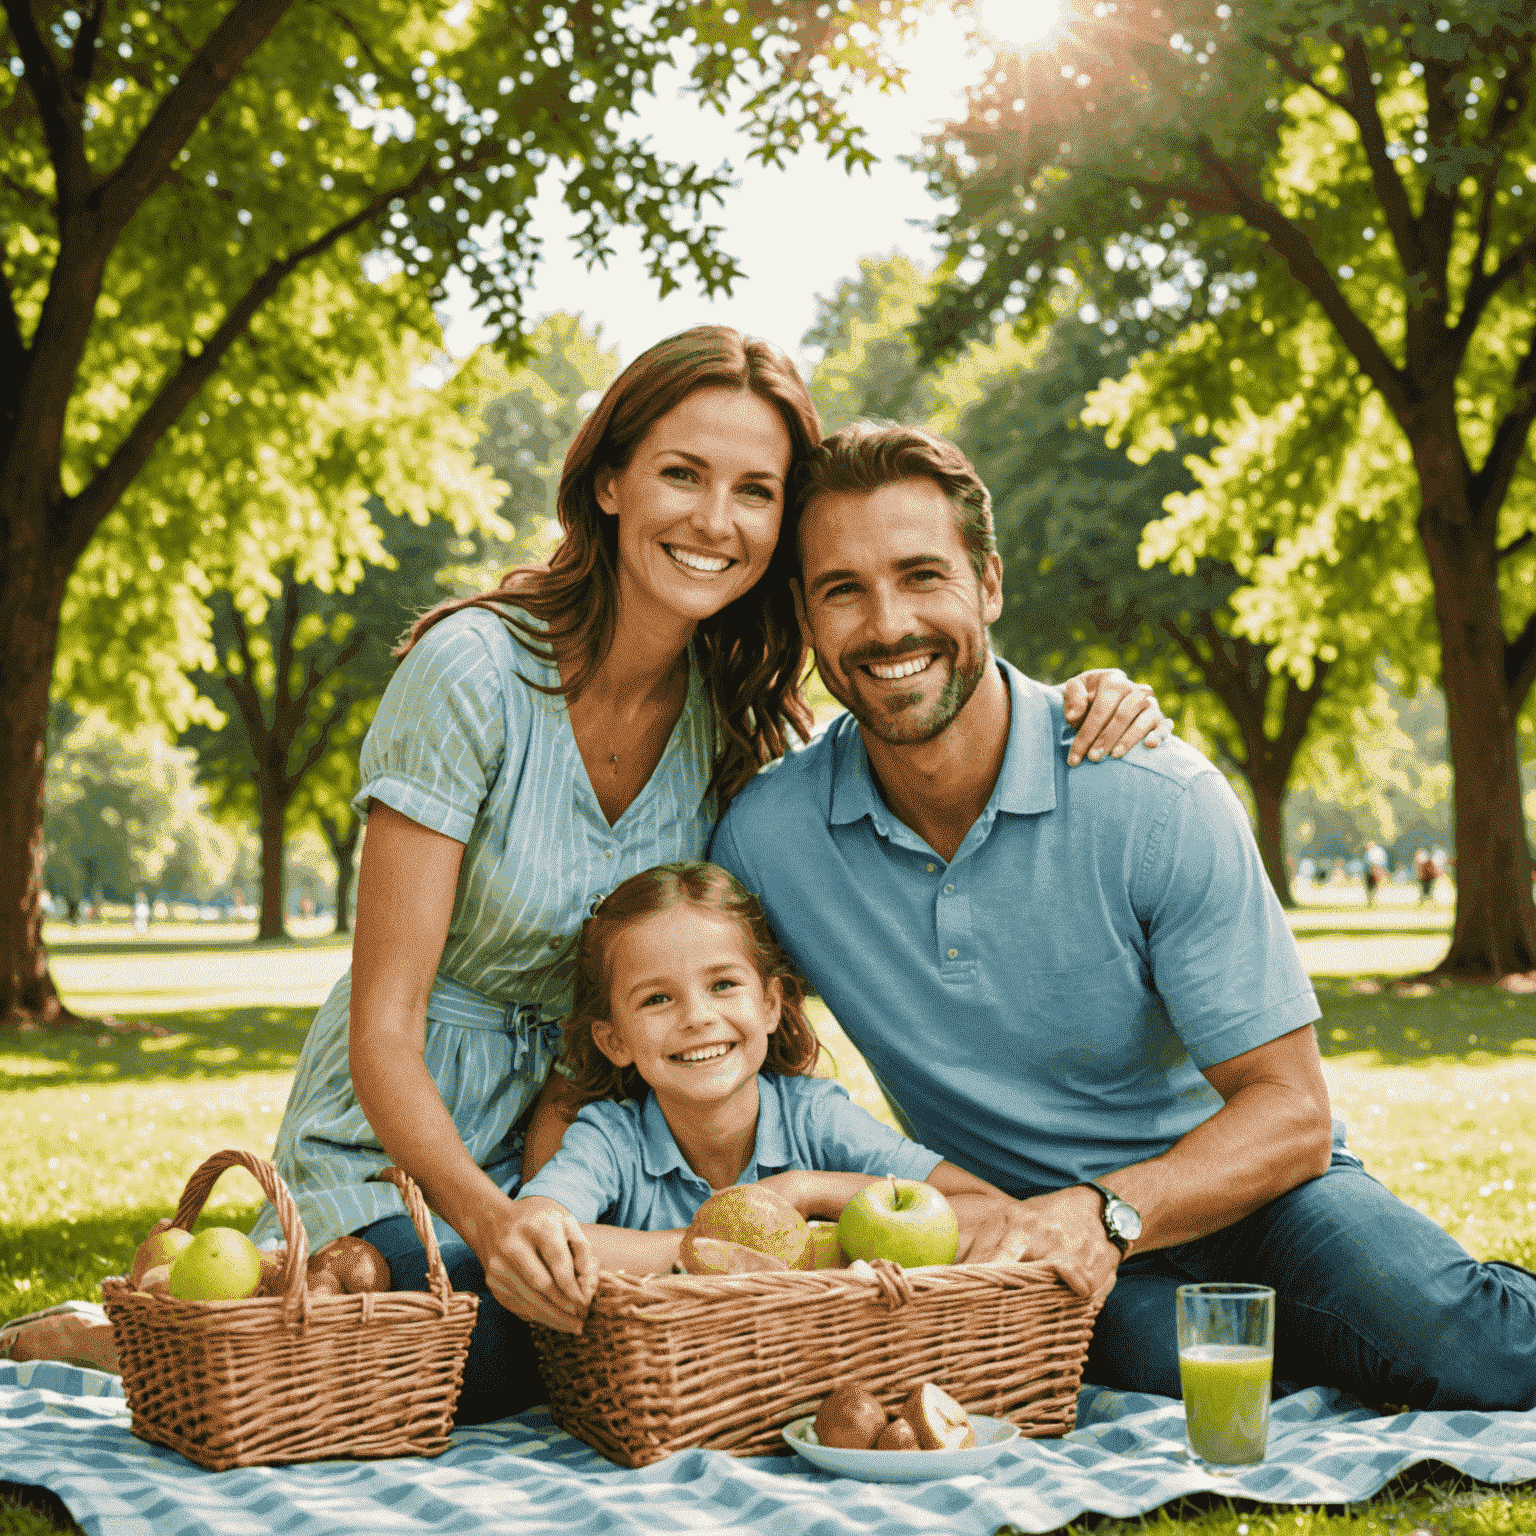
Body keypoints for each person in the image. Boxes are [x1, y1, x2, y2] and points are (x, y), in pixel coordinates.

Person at [211, 329, 1163, 1423]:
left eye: (755, 490)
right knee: (447, 1340)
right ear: (609, 480)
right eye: (682, 474)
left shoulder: (729, 719)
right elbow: (385, 1019)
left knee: (604, 1344)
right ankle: (168, 1330)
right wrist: (492, 1217)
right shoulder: (471, 671)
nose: (717, 520)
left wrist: (1075, 699)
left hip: (588, 1153)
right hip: (406, 1137)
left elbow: (918, 710)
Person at [705, 420, 1536, 1412]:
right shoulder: (768, 839)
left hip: (1257, 1194)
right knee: (1166, 1381)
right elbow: (722, 1039)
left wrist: (1103, 1213)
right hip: (1028, 1242)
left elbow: (1294, 1114)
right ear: (804, 612)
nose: (888, 625)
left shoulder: (1153, 796)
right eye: (844, 589)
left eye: (923, 575)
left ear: (990, 586)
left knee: (1455, 1341)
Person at [505, 861, 1041, 1307]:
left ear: (769, 1004)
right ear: (613, 1039)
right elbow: (537, 1232)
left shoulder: (814, 1117)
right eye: (657, 998)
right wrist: (724, 1245)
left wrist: (806, 1191)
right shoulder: (610, 1139)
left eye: (723, 985)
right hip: (674, 1395)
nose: (697, 1017)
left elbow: (990, 1210)